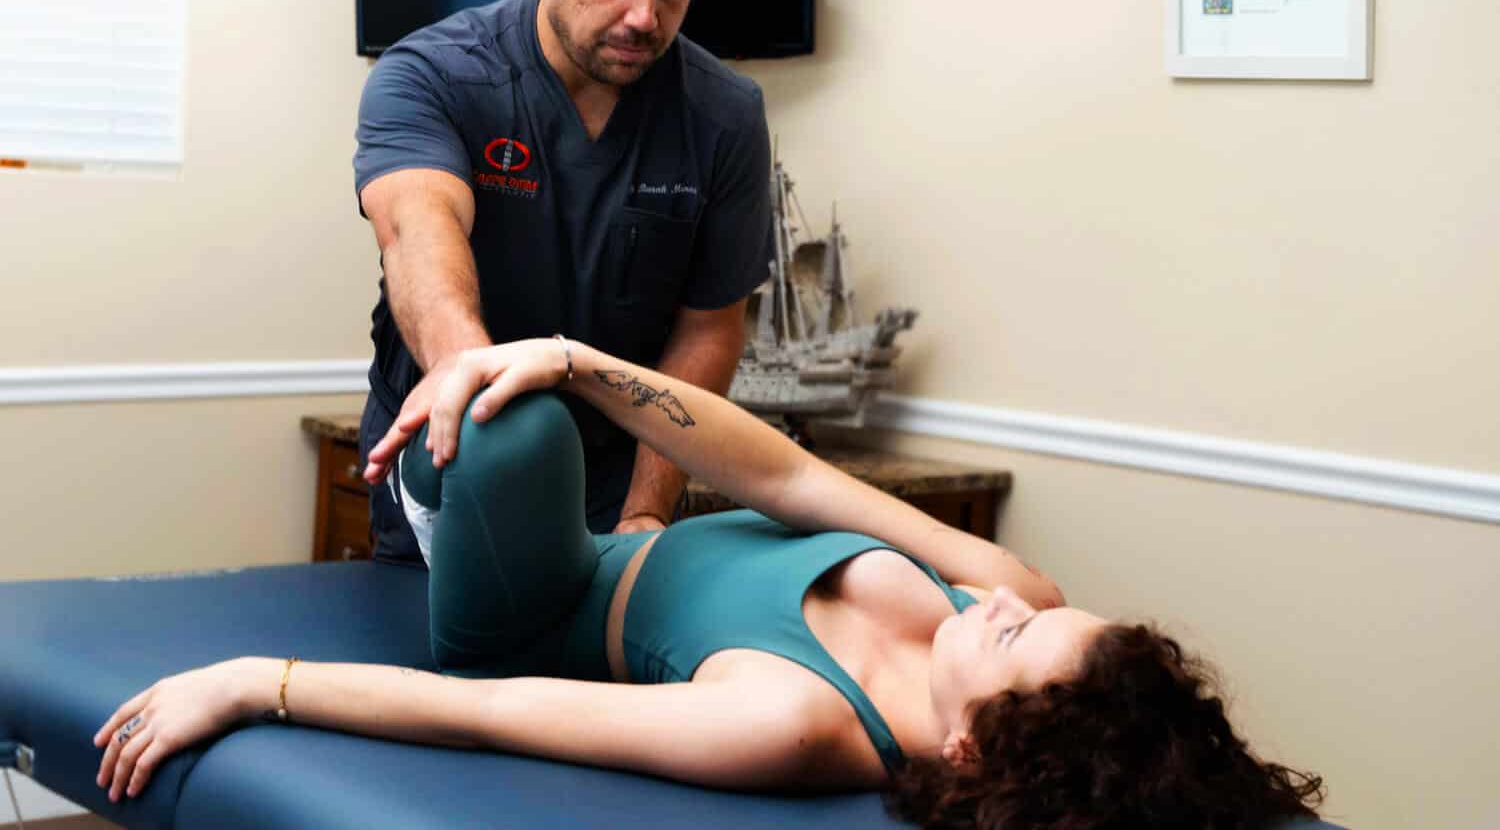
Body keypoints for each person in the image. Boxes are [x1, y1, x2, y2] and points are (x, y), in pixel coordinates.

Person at [96, 338, 1326, 829]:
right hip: (631, 528)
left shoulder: (794, 723)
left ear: (970, 747)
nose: (1013, 605)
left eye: (1015, 640)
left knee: (500, 434)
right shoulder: (1006, 588)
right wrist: (571, 355)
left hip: (538, 609)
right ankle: (481, 459)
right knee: (526, 387)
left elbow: (496, 710)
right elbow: (789, 476)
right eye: (1046, 617)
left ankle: (444, 506)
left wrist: (253, 680)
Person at [353, 0, 773, 563]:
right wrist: (470, 381)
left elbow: (708, 328)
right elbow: (417, 230)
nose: (645, 16)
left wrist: (646, 511)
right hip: (456, 452)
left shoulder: (725, 114)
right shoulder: (432, 75)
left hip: (615, 482)